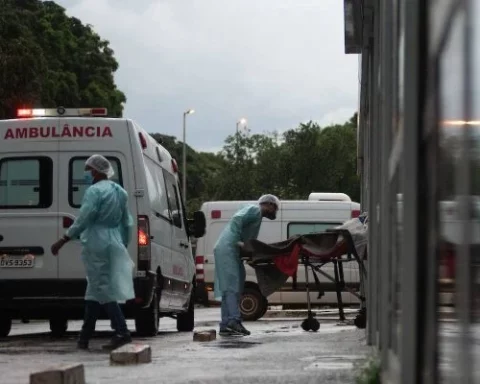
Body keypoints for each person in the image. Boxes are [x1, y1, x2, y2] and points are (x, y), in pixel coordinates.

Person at [51, 154, 135, 350]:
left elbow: (84, 218)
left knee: (102, 288)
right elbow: (127, 222)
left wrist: (64, 238)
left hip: (97, 241)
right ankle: (84, 337)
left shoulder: (94, 192)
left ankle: (122, 331)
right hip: (114, 241)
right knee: (94, 290)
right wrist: (121, 243)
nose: (86, 173)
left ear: (96, 171)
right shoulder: (120, 191)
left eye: (88, 169)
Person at [214, 194, 280, 337]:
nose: (275, 211)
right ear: (268, 204)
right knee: (232, 286)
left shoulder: (256, 217)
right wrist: (238, 240)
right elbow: (237, 219)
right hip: (229, 248)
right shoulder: (255, 210)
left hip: (230, 250)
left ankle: (225, 325)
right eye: (274, 208)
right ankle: (233, 321)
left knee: (231, 286)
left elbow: (249, 239)